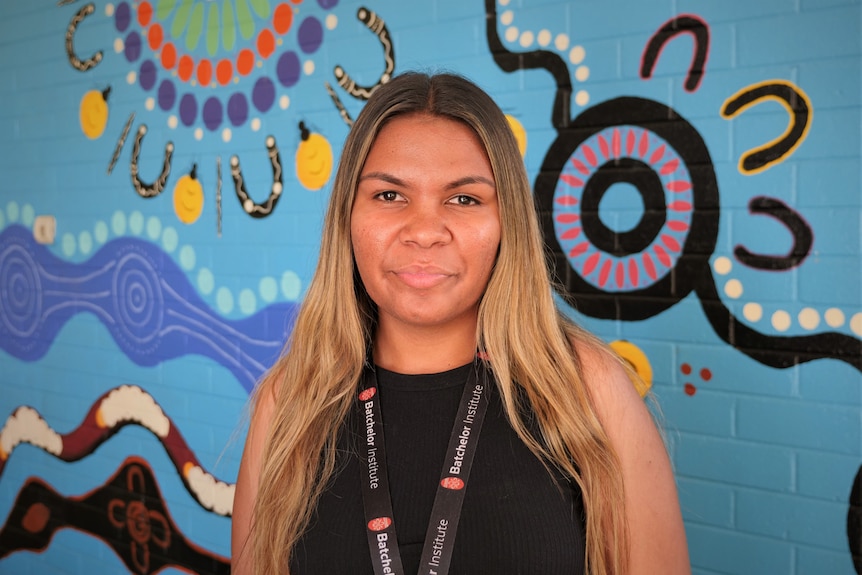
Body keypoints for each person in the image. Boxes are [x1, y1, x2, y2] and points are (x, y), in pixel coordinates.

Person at [231, 71, 690, 575]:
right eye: (389, 195)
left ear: (506, 222)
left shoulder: (588, 389)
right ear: (347, 215)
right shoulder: (288, 404)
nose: (425, 232)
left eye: (464, 198)